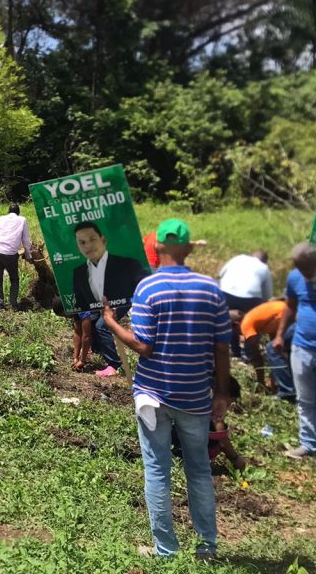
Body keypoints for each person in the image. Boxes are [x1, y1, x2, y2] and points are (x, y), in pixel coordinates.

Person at [101, 218, 230, 560]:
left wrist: (111, 322)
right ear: (188, 248)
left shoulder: (148, 288)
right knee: (199, 469)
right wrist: (222, 392)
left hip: (153, 395)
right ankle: (207, 547)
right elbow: (221, 348)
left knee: (157, 470)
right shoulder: (211, 290)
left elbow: (144, 346)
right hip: (195, 397)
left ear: (157, 247)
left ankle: (166, 549)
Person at [272, 242, 316, 459]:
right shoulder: (295, 278)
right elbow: (290, 306)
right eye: (300, 267)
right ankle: (308, 443)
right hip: (302, 346)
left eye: (307, 267)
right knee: (305, 398)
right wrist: (280, 334)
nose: (304, 273)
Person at [71, 221, 149, 314]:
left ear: (103, 240)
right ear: (78, 248)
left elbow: (147, 293)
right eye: (82, 242)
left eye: (92, 239)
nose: (88, 245)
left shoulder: (129, 265)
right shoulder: (78, 273)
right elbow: (80, 303)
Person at [219, 251, 273, 359]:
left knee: (230, 321)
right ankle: (248, 353)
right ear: (265, 261)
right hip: (251, 297)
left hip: (227, 292)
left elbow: (221, 273)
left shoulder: (238, 258)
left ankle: (235, 351)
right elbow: (267, 294)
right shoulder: (264, 267)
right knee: (251, 323)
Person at [239, 299, 295, 400]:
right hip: (290, 313)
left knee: (272, 349)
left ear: (234, 325)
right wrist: (273, 378)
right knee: (279, 350)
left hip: (288, 316)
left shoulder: (245, 325)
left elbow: (257, 357)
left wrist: (261, 384)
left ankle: (288, 393)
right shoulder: (261, 320)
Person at [0, 204, 32, 310]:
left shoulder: (1, 218)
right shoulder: (22, 220)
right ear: (18, 213)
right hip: (10, 254)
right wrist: (28, 255)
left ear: (8, 212)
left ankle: (0, 306)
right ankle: (13, 304)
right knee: (14, 279)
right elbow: (25, 240)